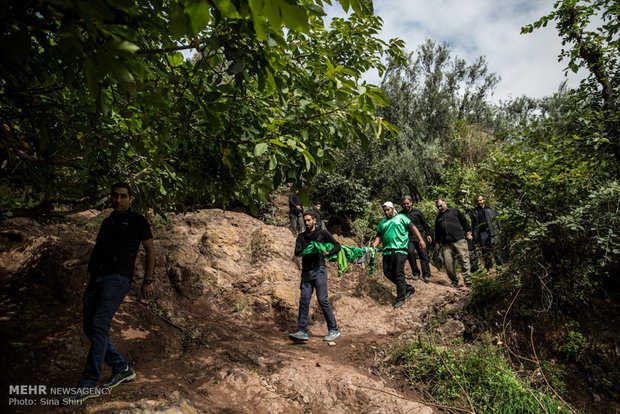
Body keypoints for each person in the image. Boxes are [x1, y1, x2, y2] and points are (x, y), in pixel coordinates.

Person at [62, 182, 155, 403]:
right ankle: (121, 367)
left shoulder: (138, 221)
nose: (118, 200)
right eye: (115, 196)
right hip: (97, 277)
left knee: (99, 325)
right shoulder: (107, 222)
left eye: (123, 196)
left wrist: (148, 280)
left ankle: (88, 383)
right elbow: (96, 251)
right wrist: (77, 261)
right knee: (90, 326)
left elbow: (150, 250)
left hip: (117, 279)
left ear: (131, 199)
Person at [289, 211, 341, 342]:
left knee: (322, 300)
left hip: (319, 270)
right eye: (305, 221)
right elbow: (297, 252)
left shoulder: (322, 233)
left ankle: (334, 330)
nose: (306, 223)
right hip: (306, 273)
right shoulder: (301, 237)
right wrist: (308, 250)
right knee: (304, 300)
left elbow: (337, 246)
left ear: (314, 220)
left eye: (309, 220)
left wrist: (327, 253)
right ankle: (301, 331)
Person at [372, 201, 427, 308]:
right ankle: (408, 288)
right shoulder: (382, 223)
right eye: (385, 211)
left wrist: (421, 240)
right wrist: (374, 245)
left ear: (393, 208)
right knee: (387, 273)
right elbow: (379, 236)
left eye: (388, 210)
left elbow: (413, 227)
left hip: (400, 249)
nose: (386, 212)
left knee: (398, 273)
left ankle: (401, 297)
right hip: (387, 250)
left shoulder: (401, 217)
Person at [434, 199, 473, 287]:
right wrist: (437, 243)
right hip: (446, 243)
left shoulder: (455, 211)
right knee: (448, 263)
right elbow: (437, 232)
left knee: (464, 259)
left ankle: (468, 280)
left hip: (459, 239)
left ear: (445, 203)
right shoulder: (438, 218)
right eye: (438, 207)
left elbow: (465, 222)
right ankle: (454, 281)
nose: (440, 208)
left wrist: (468, 232)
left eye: (441, 205)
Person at [399, 195, 433, 283]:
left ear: (411, 203)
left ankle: (426, 275)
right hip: (408, 237)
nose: (406, 205)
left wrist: (428, 234)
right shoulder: (400, 214)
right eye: (404, 204)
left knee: (423, 254)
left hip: (419, 235)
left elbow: (425, 224)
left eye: (407, 203)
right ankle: (416, 273)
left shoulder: (418, 212)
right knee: (410, 253)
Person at [471, 195, 503, 270]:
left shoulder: (491, 208)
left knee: (496, 250)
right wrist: (475, 235)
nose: (479, 202)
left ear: (484, 200)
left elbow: (497, 219)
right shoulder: (475, 211)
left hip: (493, 231)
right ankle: (489, 268)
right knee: (485, 250)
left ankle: (499, 267)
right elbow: (474, 224)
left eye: (480, 200)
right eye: (477, 201)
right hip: (482, 232)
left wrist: (500, 229)